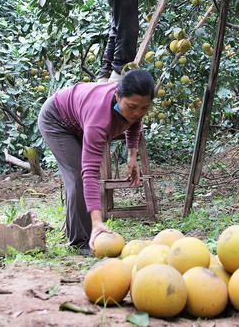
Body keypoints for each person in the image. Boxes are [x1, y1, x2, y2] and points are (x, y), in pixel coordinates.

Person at [37, 69, 156, 254]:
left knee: (79, 176)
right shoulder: (100, 119)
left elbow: (135, 123)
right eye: (132, 107)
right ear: (117, 95)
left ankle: (77, 231)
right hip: (56, 120)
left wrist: (132, 156)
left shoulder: (134, 108)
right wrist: (97, 222)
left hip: (78, 121)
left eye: (144, 108)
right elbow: (90, 172)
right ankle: (79, 241)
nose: (137, 113)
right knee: (78, 176)